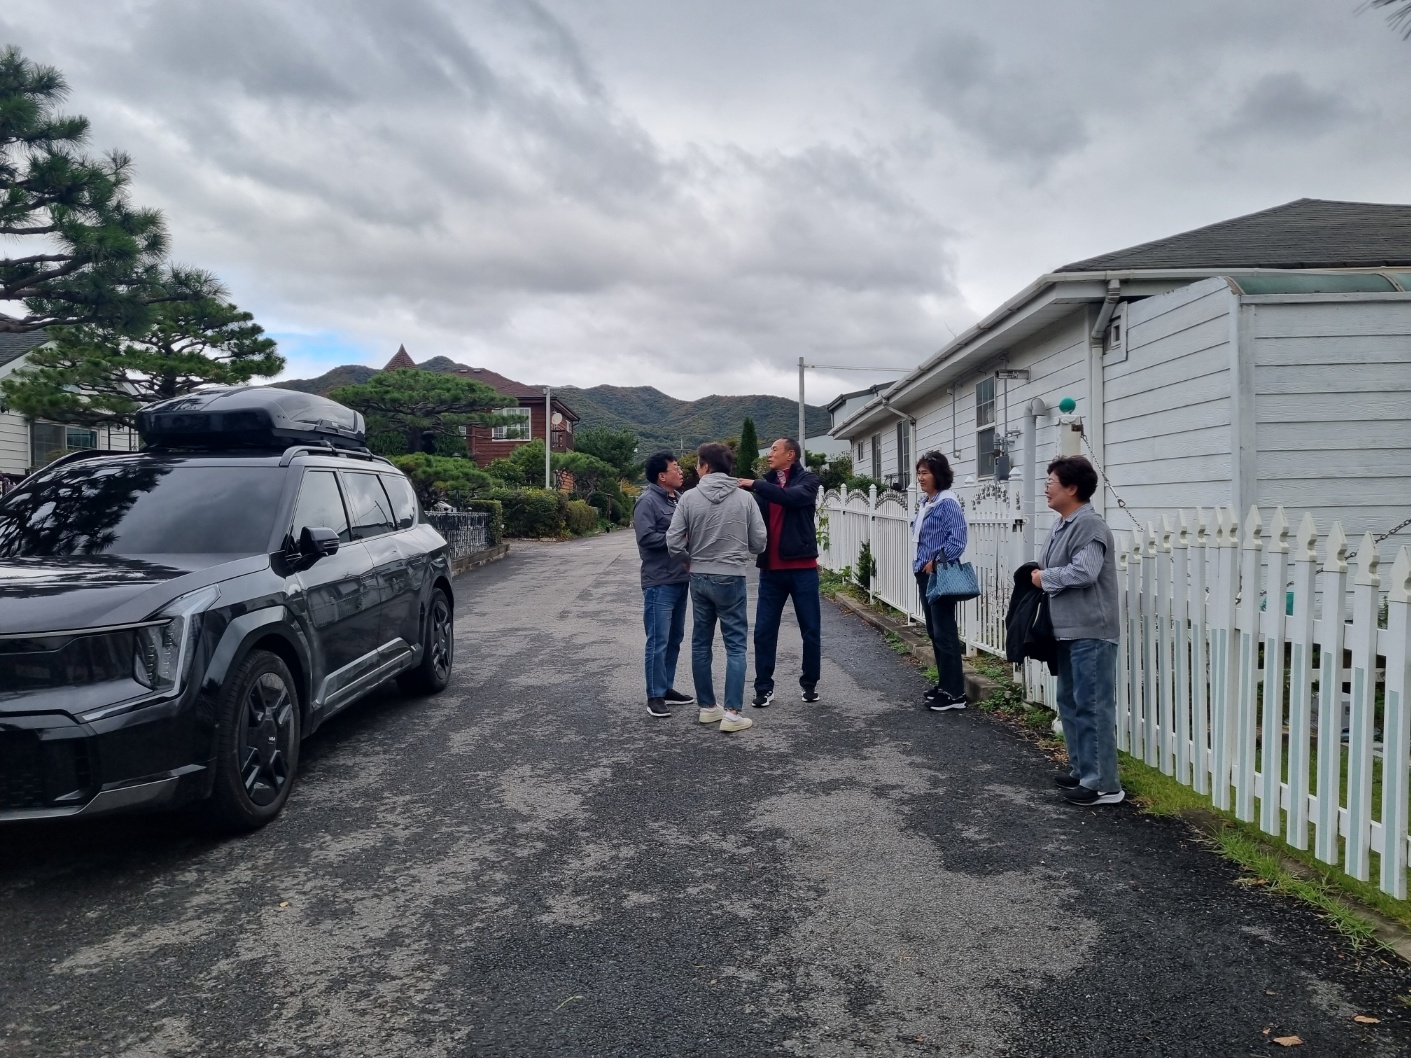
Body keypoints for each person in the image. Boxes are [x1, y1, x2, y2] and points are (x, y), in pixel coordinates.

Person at [1031, 455, 1124, 806]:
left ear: (1071, 488)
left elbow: (1084, 572)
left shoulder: (1089, 525)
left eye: (1051, 482)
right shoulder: (1063, 524)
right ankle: (1083, 769)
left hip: (1091, 631)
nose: (1046, 488)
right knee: (1069, 702)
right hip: (1067, 629)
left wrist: (1044, 578)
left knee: (1092, 706)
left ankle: (1103, 785)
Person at [666, 442, 767, 733]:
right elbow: (759, 542)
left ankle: (708, 708)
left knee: (701, 642)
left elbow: (673, 541)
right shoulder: (745, 498)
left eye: (698, 463)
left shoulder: (688, 498)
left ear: (706, 466)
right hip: (731, 576)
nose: (696, 468)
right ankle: (732, 714)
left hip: (699, 576)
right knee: (735, 645)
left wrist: (688, 560)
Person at [738, 437, 821, 706]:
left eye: (774, 449)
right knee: (763, 630)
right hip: (771, 570)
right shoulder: (766, 486)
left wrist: (755, 484)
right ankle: (763, 688)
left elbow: (791, 498)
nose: (769, 454)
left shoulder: (807, 481)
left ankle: (809, 684)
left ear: (791, 454)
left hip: (803, 569)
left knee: (810, 630)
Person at [633, 450, 694, 718]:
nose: (680, 472)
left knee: (674, 638)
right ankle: (654, 695)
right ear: (661, 476)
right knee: (658, 640)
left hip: (680, 578)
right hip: (659, 581)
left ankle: (666, 687)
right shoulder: (647, 501)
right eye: (676, 468)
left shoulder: (678, 499)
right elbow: (646, 538)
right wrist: (680, 537)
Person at [912, 450, 969, 712]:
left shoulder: (947, 502)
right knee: (935, 632)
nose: (920, 477)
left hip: (940, 574)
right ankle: (946, 684)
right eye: (919, 473)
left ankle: (955, 694)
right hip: (924, 573)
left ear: (938, 474)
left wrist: (935, 562)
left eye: (925, 473)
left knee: (944, 632)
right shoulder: (928, 502)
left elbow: (958, 539)